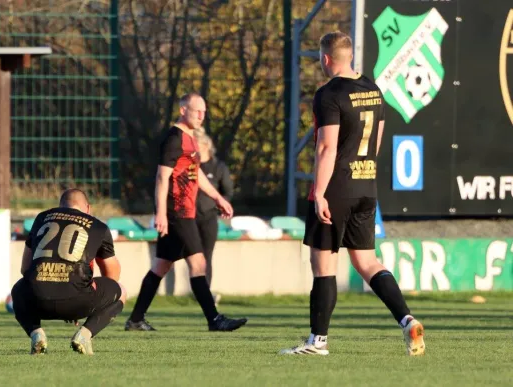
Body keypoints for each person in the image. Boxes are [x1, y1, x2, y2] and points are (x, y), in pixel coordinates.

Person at [279, 31, 425, 356]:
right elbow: (377, 141)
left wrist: (319, 192)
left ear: (326, 59)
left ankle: (318, 342)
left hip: (337, 188)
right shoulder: (373, 88)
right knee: (367, 262)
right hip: (366, 184)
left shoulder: (328, 94)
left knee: (324, 265)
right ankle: (406, 320)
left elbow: (327, 148)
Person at [125, 92, 247, 332]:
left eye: (204, 112)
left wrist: (217, 197)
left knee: (161, 266)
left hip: (184, 211)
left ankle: (136, 319)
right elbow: (162, 177)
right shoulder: (174, 139)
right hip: (177, 212)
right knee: (198, 263)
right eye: (196, 111)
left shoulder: (191, 138)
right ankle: (214, 319)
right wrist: (160, 213)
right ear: (183, 110)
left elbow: (195, 173)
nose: (201, 116)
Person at [11, 188, 126, 355]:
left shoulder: (42, 218)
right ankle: (85, 335)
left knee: (18, 289)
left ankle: (36, 333)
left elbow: (25, 269)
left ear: (60, 206)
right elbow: (112, 276)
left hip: (38, 300)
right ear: (88, 208)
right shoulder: (98, 227)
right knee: (121, 291)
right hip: (79, 299)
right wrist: (83, 292)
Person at [194, 128, 233, 304]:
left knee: (206, 255)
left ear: (206, 147)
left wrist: (221, 205)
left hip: (209, 217)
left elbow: (227, 191)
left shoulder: (218, 167)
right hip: (189, 217)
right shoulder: (192, 166)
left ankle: (205, 292)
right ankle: (197, 292)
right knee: (192, 256)